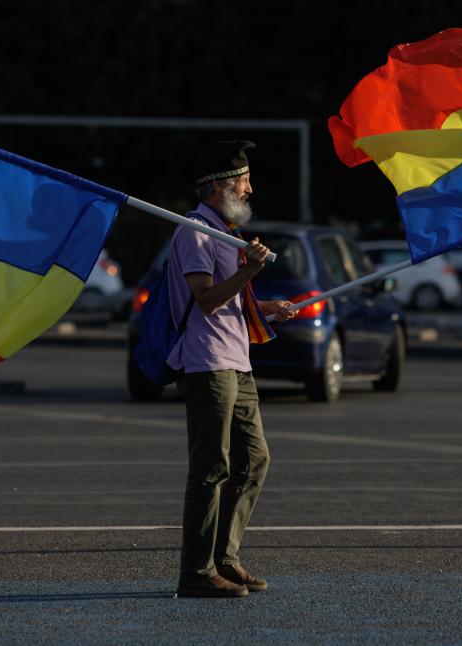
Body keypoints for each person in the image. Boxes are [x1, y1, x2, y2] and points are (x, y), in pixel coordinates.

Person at [167, 140, 296, 598]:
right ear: (219, 187)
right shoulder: (196, 232)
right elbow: (204, 299)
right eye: (243, 181)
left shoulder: (223, 232)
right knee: (210, 468)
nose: (250, 188)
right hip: (208, 364)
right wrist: (250, 273)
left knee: (254, 459)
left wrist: (265, 307)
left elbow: (227, 302)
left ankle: (224, 557)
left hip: (236, 362)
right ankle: (196, 572)